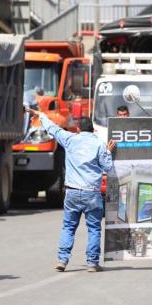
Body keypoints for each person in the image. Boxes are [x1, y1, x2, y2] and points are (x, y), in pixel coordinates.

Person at [26, 107, 112, 272]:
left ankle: (62, 260)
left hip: (72, 192)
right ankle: (92, 263)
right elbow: (107, 167)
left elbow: (53, 128)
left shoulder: (70, 139)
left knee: (68, 227)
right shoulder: (99, 144)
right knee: (94, 228)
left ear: (78, 128)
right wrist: (108, 152)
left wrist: (41, 115)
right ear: (93, 129)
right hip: (91, 193)